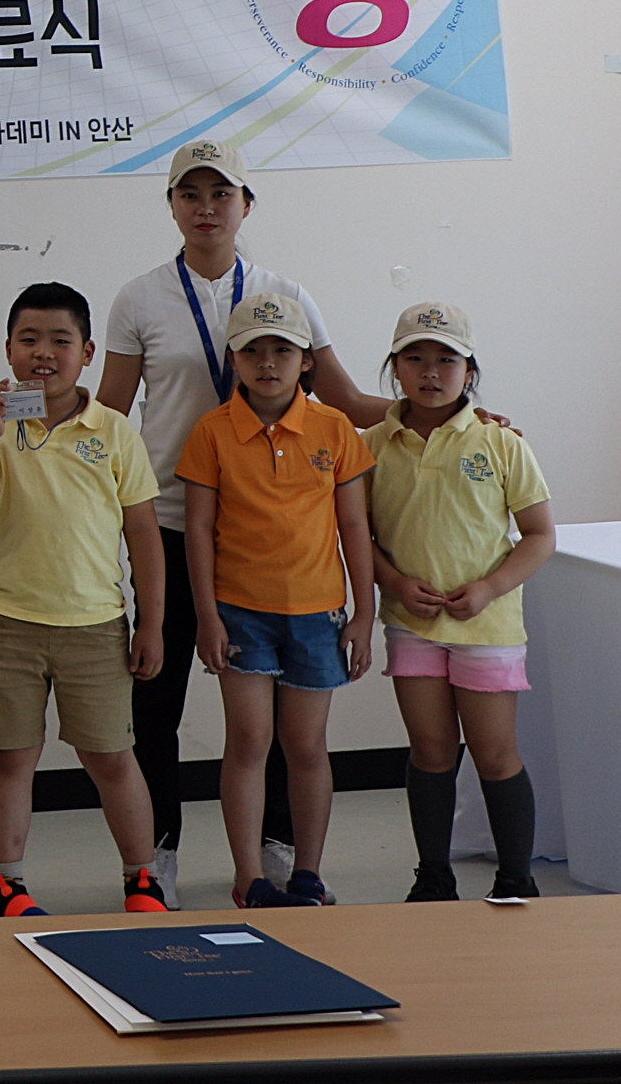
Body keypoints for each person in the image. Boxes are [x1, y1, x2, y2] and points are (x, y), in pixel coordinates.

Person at [94, 139, 375, 906]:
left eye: (222, 193)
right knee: (156, 696)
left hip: (268, 536)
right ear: (172, 206)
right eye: (191, 194)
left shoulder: (286, 293)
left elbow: (346, 400)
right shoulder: (140, 298)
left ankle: (279, 851)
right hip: (171, 522)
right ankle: (156, 853)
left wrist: (445, 414)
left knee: (279, 710)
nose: (207, 207)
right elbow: (110, 414)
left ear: (247, 205)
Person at [0, 283, 170, 919]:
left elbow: (143, 534)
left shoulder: (114, 430)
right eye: (29, 340)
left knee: (113, 758)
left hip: (95, 624)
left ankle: (142, 878)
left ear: (88, 353)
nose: (43, 353)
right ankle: (9, 886)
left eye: (60, 340)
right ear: (8, 350)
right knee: (11, 759)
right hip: (7, 620)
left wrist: (151, 623)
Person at [174, 294, 376, 910]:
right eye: (253, 350)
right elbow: (198, 531)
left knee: (307, 747)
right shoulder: (212, 432)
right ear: (233, 360)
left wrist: (364, 614)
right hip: (240, 613)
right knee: (248, 743)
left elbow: (354, 526)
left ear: (306, 360)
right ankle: (250, 879)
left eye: (282, 349)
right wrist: (207, 618)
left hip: (319, 614)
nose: (267, 362)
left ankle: (307, 873)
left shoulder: (334, 429)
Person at [360, 303, 556, 904]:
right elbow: (356, 537)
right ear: (394, 368)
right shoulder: (371, 446)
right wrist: (395, 584)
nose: (430, 371)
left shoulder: (501, 443)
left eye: (446, 359)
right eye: (415, 358)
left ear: (469, 372)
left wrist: (490, 588)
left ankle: (516, 878)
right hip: (412, 625)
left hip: (488, 627)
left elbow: (540, 535)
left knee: (495, 755)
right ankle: (433, 877)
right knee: (430, 750)